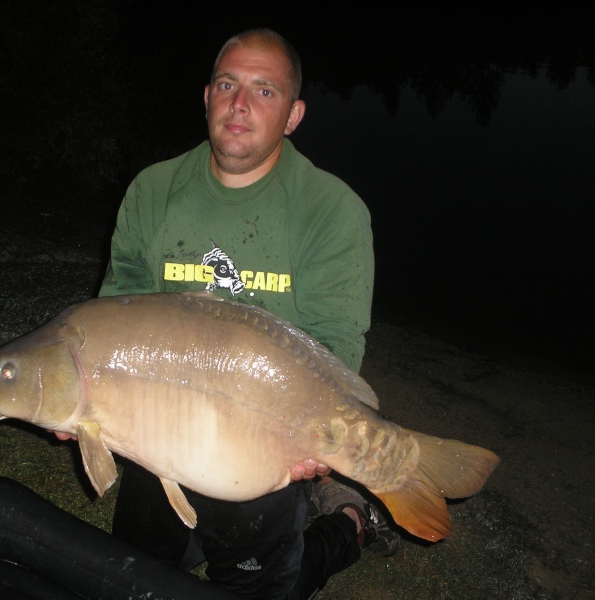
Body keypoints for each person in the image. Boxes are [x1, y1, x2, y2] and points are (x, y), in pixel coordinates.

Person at [58, 28, 399, 599]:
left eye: (264, 91)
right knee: (131, 579)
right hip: (162, 423)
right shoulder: (153, 190)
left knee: (260, 590)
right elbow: (114, 313)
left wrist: (315, 435)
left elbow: (335, 343)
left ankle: (348, 525)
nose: (240, 104)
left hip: (264, 427)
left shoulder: (331, 211)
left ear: (293, 115)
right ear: (207, 96)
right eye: (227, 84)